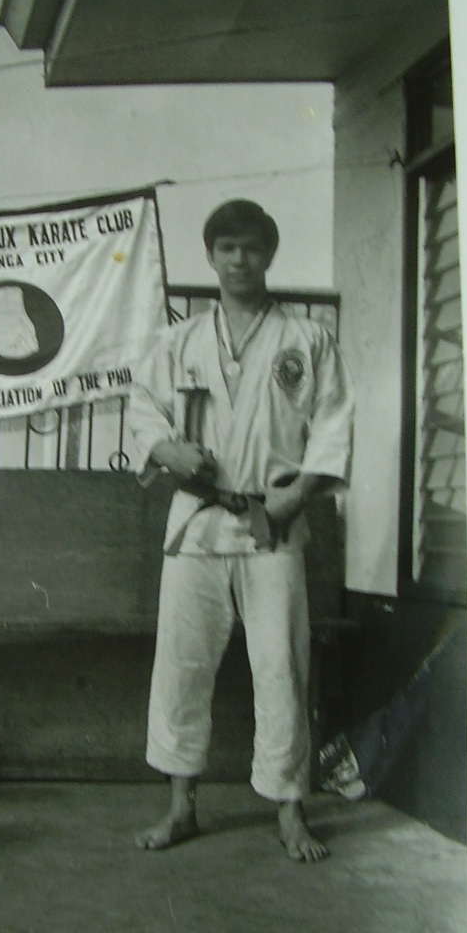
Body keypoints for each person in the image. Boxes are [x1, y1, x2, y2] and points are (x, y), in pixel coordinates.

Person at [129, 199, 354, 862]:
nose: (239, 260)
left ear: (269, 255)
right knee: (182, 664)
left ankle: (289, 810)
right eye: (227, 247)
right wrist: (169, 451)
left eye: (252, 248)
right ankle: (180, 807)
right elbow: (142, 406)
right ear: (211, 255)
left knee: (282, 666)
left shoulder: (306, 339)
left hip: (271, 522)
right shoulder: (179, 342)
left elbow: (335, 426)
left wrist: (298, 499)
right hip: (197, 524)